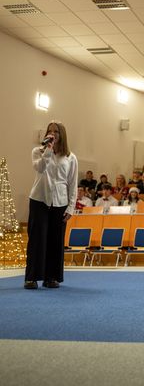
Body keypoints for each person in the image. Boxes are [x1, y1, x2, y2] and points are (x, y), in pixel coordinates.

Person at [25, 121, 78, 290]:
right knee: (37, 240)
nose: (53, 133)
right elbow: (40, 168)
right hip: (39, 200)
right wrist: (48, 150)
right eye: (50, 131)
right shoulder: (38, 152)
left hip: (60, 202)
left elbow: (72, 184)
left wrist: (71, 207)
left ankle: (51, 277)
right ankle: (31, 278)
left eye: (56, 131)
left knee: (56, 240)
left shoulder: (70, 157)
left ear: (62, 135)